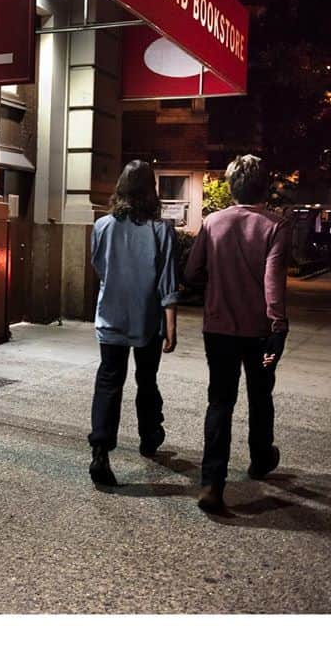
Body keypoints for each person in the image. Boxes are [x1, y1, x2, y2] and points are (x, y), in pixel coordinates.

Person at [184, 154, 291, 514]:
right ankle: (261, 458)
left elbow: (191, 271)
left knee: (220, 400)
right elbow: (273, 281)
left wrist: (215, 286)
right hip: (260, 332)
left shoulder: (213, 223)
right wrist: (278, 324)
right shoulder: (275, 227)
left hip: (218, 329)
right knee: (261, 395)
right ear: (264, 187)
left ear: (232, 188)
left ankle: (212, 482)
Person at [88, 160, 179, 487]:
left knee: (109, 379)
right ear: (150, 192)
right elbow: (167, 283)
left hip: (110, 315)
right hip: (147, 319)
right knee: (147, 378)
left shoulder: (102, 227)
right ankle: (150, 434)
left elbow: (99, 267)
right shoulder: (161, 230)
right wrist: (171, 325)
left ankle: (100, 448)